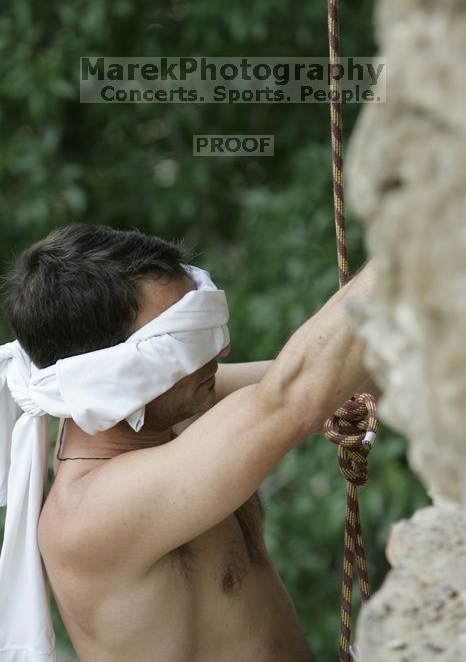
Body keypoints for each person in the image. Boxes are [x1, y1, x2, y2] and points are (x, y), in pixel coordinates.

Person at [2, 223, 377, 662]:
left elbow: (337, 375)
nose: (217, 353)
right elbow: (294, 397)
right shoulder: (89, 514)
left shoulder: (171, 410)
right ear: (109, 379)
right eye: (180, 344)